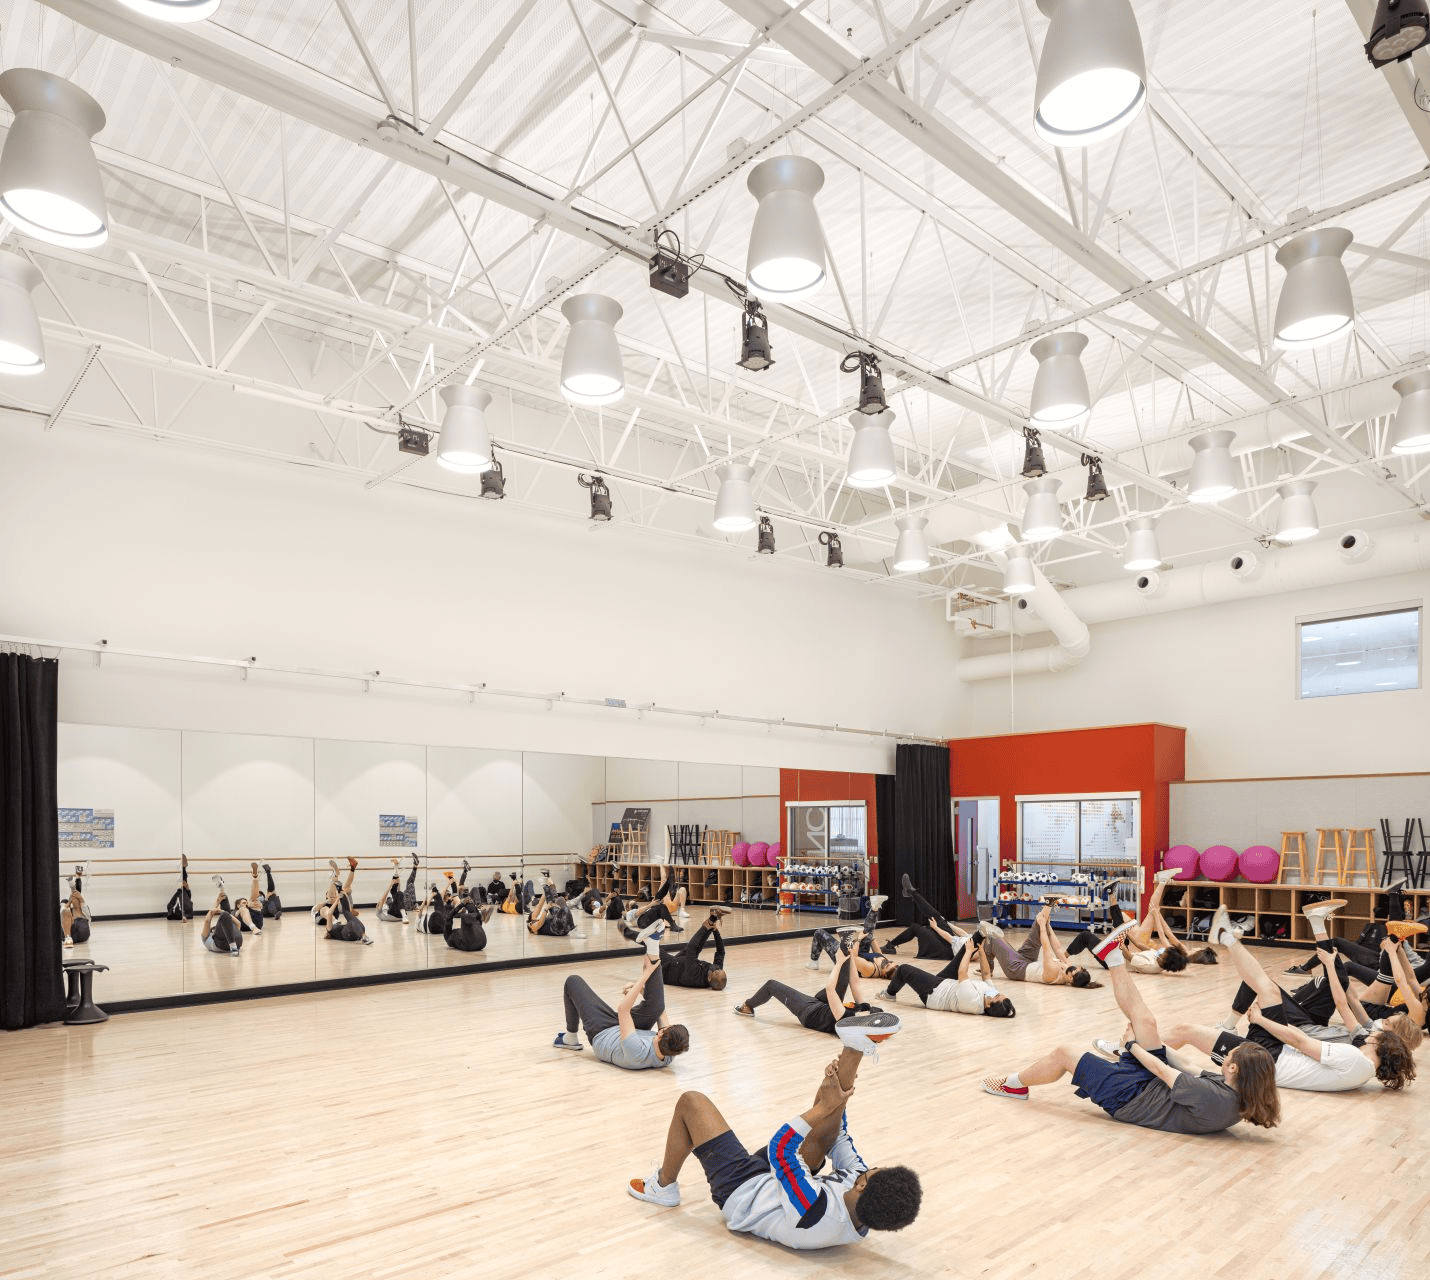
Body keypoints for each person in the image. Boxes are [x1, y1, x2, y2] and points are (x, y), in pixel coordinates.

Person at [982, 919, 1281, 1132]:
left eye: (1231, 1054)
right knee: (1147, 1021)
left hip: (1130, 1098)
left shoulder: (1216, 1098)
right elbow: (1187, 1066)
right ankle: (1112, 956)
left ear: (1234, 1067)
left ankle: (1013, 1084)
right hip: (1150, 1085)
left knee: (1065, 1053)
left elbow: (1163, 1070)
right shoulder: (1234, 1089)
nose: (1227, 1053)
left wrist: (1132, 1046)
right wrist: (1153, 1043)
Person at [626, 1045, 921, 1248]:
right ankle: (854, 1049)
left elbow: (780, 1149)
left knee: (691, 1101)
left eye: (876, 1171)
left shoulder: (816, 1211)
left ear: (862, 1187)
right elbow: (838, 1136)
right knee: (823, 1133)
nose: (873, 1167)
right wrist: (837, 1089)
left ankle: (663, 1187)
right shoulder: (864, 1202)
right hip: (781, 1186)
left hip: (743, 1190)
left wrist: (823, 1107)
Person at [1159, 905, 1416, 1092]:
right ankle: (1226, 937)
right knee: (1265, 991)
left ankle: (1227, 938)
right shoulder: (1361, 1066)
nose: (1375, 1031)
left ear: (1377, 1042)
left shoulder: (1356, 1061)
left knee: (1188, 1030)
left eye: (1381, 1031)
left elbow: (1300, 1041)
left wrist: (1262, 1019)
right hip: (1274, 1052)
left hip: (1263, 1060)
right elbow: (1303, 1040)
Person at [735, 944, 903, 1044]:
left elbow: (830, 989)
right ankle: (847, 944)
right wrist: (851, 955)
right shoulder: (864, 1009)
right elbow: (855, 982)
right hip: (825, 1005)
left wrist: (838, 963)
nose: (871, 1011)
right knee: (846, 970)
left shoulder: (847, 1019)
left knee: (772, 985)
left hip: (810, 1012)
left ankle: (747, 1006)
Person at [554, 948, 690, 1070]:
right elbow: (660, 1010)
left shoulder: (636, 1051)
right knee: (657, 1007)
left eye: (666, 1029)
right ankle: (652, 947)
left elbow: (623, 1009)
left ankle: (571, 1038)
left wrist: (647, 973)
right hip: (629, 1030)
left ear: (660, 1035)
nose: (665, 1027)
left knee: (573, 981)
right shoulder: (669, 1052)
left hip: (603, 1031)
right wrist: (643, 992)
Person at [880, 929, 1016, 1017]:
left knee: (904, 969)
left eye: (998, 997)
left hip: (934, 993)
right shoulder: (991, 994)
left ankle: (889, 994)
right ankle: (981, 934)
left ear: (989, 1004)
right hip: (947, 984)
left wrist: (969, 952)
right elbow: (986, 974)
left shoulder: (973, 1002)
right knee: (962, 954)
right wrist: (981, 952)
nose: (997, 993)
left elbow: (962, 973)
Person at [978, 902, 1101, 989]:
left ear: (1070, 978)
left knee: (992, 937)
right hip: (1028, 960)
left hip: (1016, 969)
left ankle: (988, 969)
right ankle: (1049, 903)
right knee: (1038, 925)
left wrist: (1043, 926)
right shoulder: (1068, 969)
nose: (1077, 967)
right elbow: (1057, 948)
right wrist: (1047, 925)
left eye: (1077, 970)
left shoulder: (1052, 974)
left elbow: (1046, 947)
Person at [659, 908, 731, 990]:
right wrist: (716, 931)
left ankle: (708, 923)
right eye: (720, 970)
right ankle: (712, 919)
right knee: (696, 949)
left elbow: (691, 947)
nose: (718, 969)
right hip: (680, 964)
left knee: (652, 948)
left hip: (666, 969)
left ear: (709, 978)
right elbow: (721, 952)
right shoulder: (715, 971)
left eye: (717, 972)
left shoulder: (694, 975)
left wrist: (704, 929)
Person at [200, 888, 242, 956]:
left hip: (236, 942)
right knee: (225, 915)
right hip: (224, 945)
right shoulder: (206, 937)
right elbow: (207, 921)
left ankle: (222, 891)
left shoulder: (206, 937)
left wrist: (219, 908)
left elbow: (237, 923)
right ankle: (222, 891)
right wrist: (215, 911)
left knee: (226, 914)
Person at [60, 870, 92, 947]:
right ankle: (68, 938)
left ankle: (68, 938)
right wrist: (69, 903)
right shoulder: (69, 910)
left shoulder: (81, 909)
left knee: (73, 905)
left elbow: (79, 897)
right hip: (77, 932)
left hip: (80, 931)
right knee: (66, 910)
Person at [165, 856, 194, 921]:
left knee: (185, 894)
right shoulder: (183, 872)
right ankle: (183, 868)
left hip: (183, 891)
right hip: (183, 891)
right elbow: (184, 883)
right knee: (184, 893)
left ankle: (183, 868)